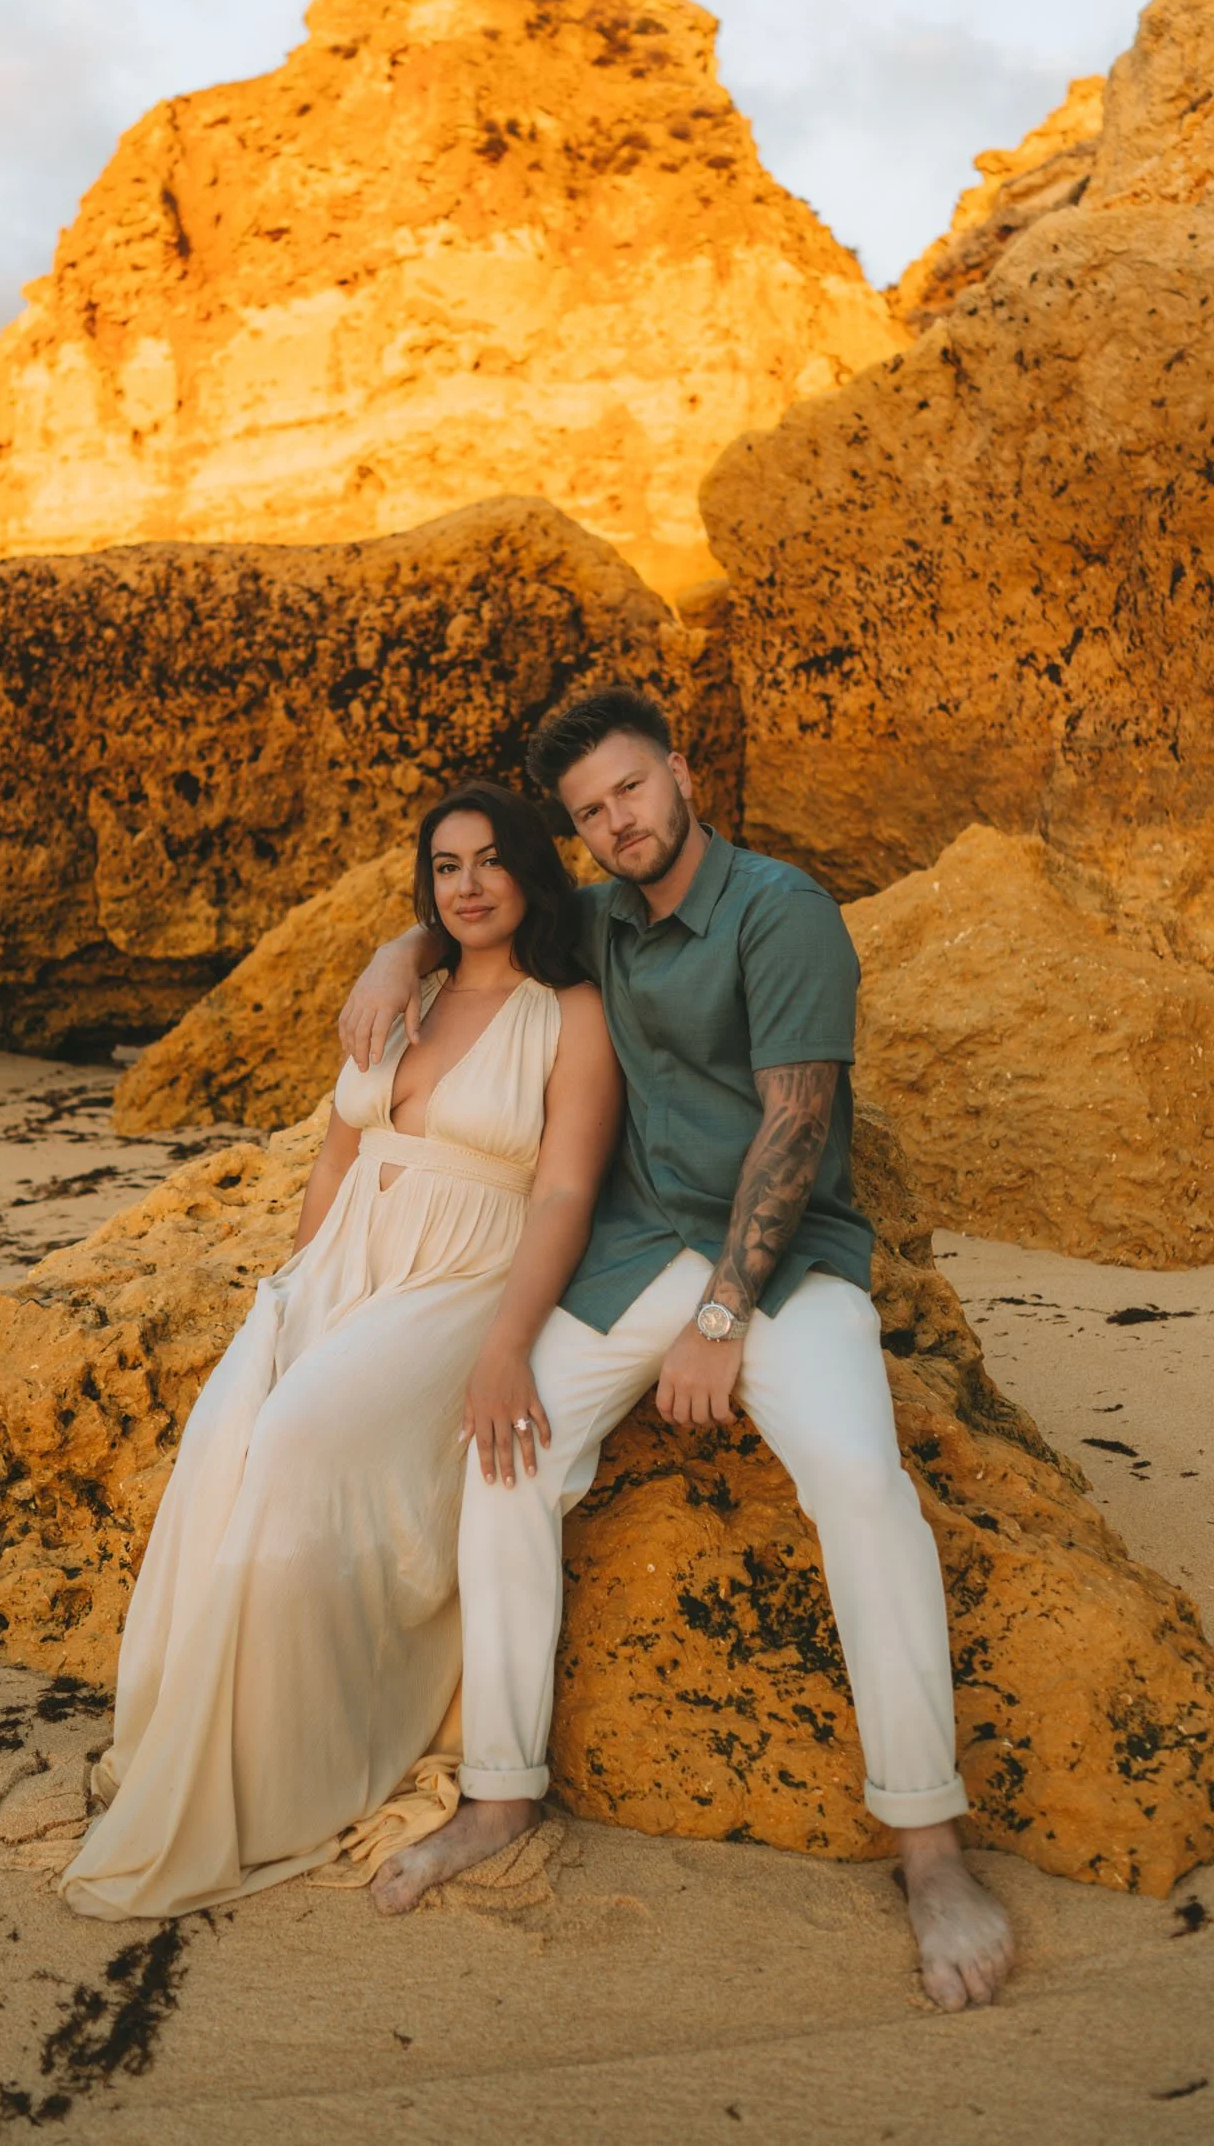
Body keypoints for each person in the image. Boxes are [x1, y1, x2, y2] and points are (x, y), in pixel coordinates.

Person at [341, 689, 1016, 2011]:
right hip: (630, 1252)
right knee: (503, 1463)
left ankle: (928, 1848)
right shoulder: (595, 915)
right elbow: (481, 907)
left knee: (861, 1485)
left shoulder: (784, 913)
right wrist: (397, 950)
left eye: (629, 793)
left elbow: (794, 1128)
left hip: (777, 1265)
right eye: (590, 814)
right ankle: (498, 1793)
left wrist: (718, 1320)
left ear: (679, 773)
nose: (615, 825)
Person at [60, 782, 621, 1920]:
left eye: (489, 861)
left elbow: (565, 1186)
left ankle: (282, 1775)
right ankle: (198, 1734)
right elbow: (331, 1159)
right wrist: (293, 1286)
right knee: (227, 1433)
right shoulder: (398, 994)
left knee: (305, 1440)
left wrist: (508, 1342)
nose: (467, 886)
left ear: (529, 872)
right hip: (338, 1269)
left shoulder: (569, 1014)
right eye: (445, 868)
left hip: (463, 1279)